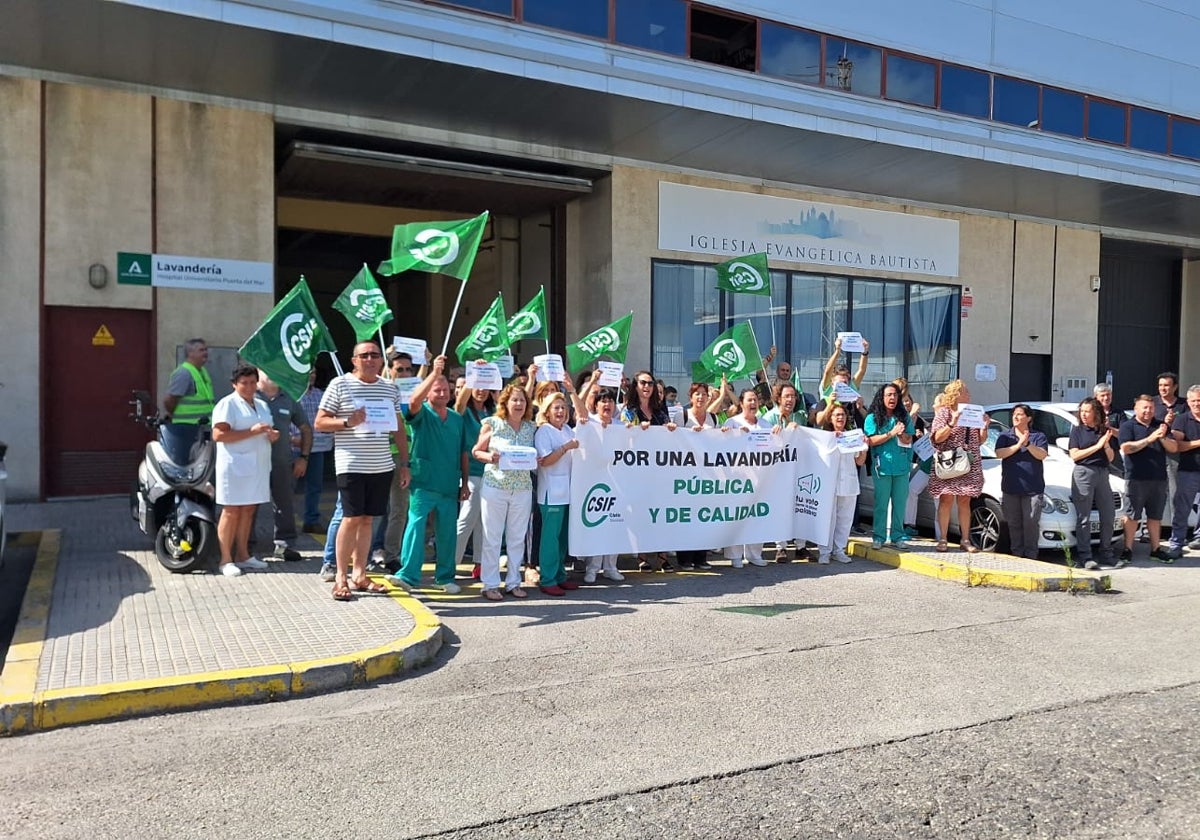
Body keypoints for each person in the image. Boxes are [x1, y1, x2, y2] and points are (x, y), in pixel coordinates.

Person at [314, 341, 411, 602]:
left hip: (381, 465)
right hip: (351, 464)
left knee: (369, 520)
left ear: (381, 360)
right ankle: (340, 577)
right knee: (351, 518)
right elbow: (320, 422)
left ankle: (360, 574)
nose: (370, 359)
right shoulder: (339, 384)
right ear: (354, 360)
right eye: (364, 355)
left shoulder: (389, 388)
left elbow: (398, 427)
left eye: (374, 355)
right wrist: (347, 421)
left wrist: (404, 463)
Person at [389, 354, 472, 594]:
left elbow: (463, 453)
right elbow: (413, 400)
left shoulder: (457, 419)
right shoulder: (422, 413)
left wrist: (464, 483)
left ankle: (445, 577)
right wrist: (434, 374)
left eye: (446, 389)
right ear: (428, 392)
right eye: (437, 389)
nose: (443, 393)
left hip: (448, 484)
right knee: (415, 525)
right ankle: (408, 574)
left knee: (447, 532)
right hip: (424, 481)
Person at [473, 382, 537, 600]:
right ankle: (490, 584)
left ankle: (513, 582)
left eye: (522, 400)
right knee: (492, 537)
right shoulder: (493, 423)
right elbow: (476, 451)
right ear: (505, 402)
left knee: (517, 538)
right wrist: (490, 457)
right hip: (495, 487)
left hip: (522, 489)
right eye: (514, 400)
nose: (519, 403)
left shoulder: (531, 427)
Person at [211, 363, 276, 577]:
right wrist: (251, 431)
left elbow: (264, 430)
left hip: (257, 465)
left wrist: (272, 436)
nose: (248, 387)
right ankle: (225, 559)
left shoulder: (262, 405)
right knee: (232, 511)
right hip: (235, 465)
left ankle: (243, 555)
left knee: (249, 509)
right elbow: (218, 435)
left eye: (252, 382)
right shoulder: (227, 404)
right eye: (243, 383)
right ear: (234, 384)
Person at [533, 381, 589, 596]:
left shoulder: (566, 429)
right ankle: (547, 579)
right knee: (550, 538)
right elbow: (545, 460)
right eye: (556, 407)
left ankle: (559, 575)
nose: (560, 411)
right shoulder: (544, 432)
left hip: (568, 492)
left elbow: (583, 419)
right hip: (551, 493)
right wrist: (566, 448)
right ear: (547, 411)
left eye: (563, 407)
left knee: (562, 538)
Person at [250, 371, 310, 563]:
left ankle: (285, 545)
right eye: (268, 368)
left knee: (284, 504)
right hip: (252, 462)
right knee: (249, 505)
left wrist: (304, 457)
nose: (273, 372)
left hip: (282, 462)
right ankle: (246, 546)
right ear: (259, 371)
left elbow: (306, 429)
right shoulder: (249, 394)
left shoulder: (289, 397)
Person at [1118, 394, 1176, 566]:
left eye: (1151, 408)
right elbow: (1126, 448)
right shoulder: (1128, 426)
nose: (1148, 411)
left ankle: (1156, 549)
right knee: (1132, 515)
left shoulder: (1161, 426)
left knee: (1155, 516)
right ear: (1136, 409)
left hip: (1158, 479)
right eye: (1144, 407)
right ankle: (1128, 549)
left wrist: (1162, 437)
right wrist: (1149, 439)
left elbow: (1173, 448)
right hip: (1136, 478)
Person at [928, 379, 985, 553]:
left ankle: (965, 539)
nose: (969, 394)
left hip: (969, 462)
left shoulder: (973, 412)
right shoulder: (944, 412)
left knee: (965, 499)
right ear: (956, 394)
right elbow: (937, 438)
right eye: (966, 391)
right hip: (949, 462)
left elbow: (979, 440)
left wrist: (984, 426)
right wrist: (952, 422)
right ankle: (943, 539)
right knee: (946, 499)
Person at [580, 386, 629, 580]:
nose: (607, 404)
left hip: (617, 482)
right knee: (596, 524)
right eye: (603, 401)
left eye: (610, 401)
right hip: (593, 482)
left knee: (615, 523)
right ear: (596, 405)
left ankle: (611, 567)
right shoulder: (588, 422)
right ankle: (592, 568)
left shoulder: (620, 425)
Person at [721, 388, 772, 568]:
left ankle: (754, 553)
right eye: (749, 400)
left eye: (755, 400)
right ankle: (735, 555)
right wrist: (731, 434)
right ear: (741, 403)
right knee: (736, 517)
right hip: (738, 479)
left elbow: (776, 447)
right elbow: (722, 446)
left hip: (760, 478)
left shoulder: (765, 425)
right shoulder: (732, 422)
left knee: (757, 516)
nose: (753, 403)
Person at [1067, 396, 1117, 570]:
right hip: (1084, 473)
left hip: (1102, 472)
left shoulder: (1103, 430)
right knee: (1084, 517)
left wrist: (1106, 445)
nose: (1084, 414)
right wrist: (1097, 446)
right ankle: (1085, 556)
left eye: (1087, 411)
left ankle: (1106, 552)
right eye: (1082, 411)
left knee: (1108, 514)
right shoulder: (1077, 431)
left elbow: (1110, 458)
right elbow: (1074, 455)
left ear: (1096, 413)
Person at [454, 378, 497, 578]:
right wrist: (473, 376)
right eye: (477, 386)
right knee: (467, 518)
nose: (481, 390)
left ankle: (480, 564)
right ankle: (450, 562)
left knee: (483, 521)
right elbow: (460, 404)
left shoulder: (491, 412)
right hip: (469, 472)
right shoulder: (464, 412)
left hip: (490, 472)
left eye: (485, 386)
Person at [864, 382, 914, 550]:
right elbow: (870, 440)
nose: (892, 398)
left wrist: (903, 434)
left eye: (895, 395)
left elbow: (909, 439)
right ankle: (878, 537)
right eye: (889, 395)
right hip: (882, 467)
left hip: (901, 467)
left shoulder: (904, 416)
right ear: (882, 397)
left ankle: (897, 536)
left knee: (900, 504)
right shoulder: (872, 418)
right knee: (881, 504)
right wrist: (891, 433)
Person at [994, 404, 1048, 560]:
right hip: (1011, 487)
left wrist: (1028, 444)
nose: (1015, 417)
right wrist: (1018, 444)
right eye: (1014, 414)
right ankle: (1017, 553)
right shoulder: (1006, 436)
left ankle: (1031, 554)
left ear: (1029, 418)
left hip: (1033, 488)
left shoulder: (1038, 436)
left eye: (1019, 414)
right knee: (1014, 523)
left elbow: (1042, 455)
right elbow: (999, 453)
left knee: (1031, 523)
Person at [817, 403, 866, 564]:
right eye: (836, 415)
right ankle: (824, 551)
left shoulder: (852, 436)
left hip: (849, 483)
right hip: (830, 485)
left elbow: (859, 461)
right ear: (830, 418)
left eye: (843, 415)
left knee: (845, 520)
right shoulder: (824, 438)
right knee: (828, 520)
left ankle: (839, 550)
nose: (840, 418)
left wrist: (864, 447)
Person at [161, 338, 214, 464]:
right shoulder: (184, 373)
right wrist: (172, 414)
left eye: (206, 350)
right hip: (186, 430)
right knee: (187, 466)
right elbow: (169, 400)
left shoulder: (201, 371)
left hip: (200, 429)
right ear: (190, 353)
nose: (205, 353)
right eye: (201, 350)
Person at [295, 368, 333, 534]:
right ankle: (286, 524)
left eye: (314, 372)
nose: (311, 375)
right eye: (308, 372)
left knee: (315, 486)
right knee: (289, 488)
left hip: (317, 447)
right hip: (295, 448)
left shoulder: (322, 395)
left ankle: (311, 520)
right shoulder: (292, 394)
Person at [1167, 384, 1200, 557]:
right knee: (1182, 509)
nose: (1197, 404)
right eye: (1193, 401)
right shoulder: (1182, 420)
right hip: (1189, 471)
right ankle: (1176, 544)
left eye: (1199, 400)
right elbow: (1177, 445)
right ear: (1188, 401)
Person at [1154, 372, 1187, 534]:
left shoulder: (1184, 405)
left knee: (1175, 495)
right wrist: (1164, 423)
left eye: (1167, 385)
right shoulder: (1152, 403)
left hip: (1175, 456)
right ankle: (1150, 531)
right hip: (1154, 455)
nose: (1163, 389)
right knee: (1154, 494)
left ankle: (1176, 532)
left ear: (1175, 387)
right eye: (1160, 385)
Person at [815, 335, 869, 429]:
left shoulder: (851, 389)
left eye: (845, 383)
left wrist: (864, 352)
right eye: (839, 383)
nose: (843, 386)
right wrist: (837, 351)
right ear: (832, 383)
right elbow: (827, 371)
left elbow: (861, 371)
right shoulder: (827, 390)